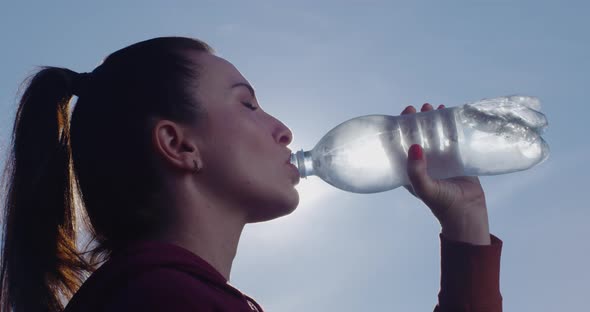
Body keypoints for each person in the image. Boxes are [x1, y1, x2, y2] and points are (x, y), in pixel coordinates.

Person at [0, 37, 502, 312]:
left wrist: (466, 225)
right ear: (179, 144)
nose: (282, 130)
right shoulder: (169, 302)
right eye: (248, 103)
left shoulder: (158, 295)